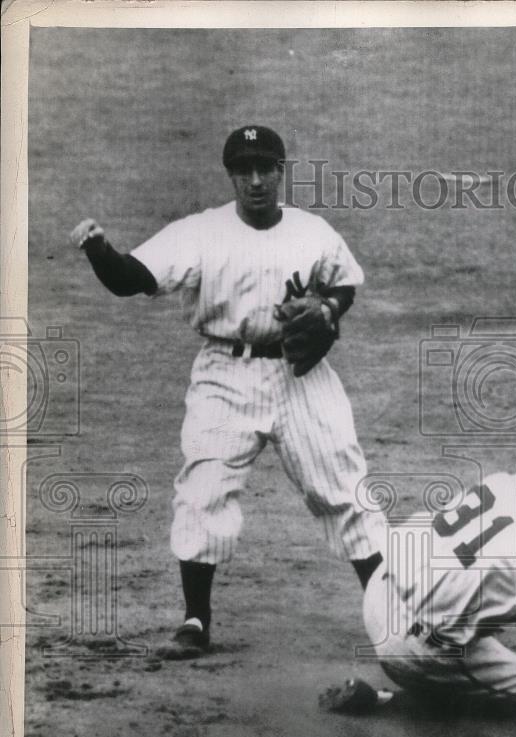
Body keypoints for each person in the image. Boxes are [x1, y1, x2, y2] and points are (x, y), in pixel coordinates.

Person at [70, 125, 386, 658]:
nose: (256, 180)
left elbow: (344, 282)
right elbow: (130, 279)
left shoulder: (314, 232)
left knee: (346, 489)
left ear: (282, 172)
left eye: (266, 169)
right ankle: (195, 621)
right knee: (204, 488)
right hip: (224, 374)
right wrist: (100, 249)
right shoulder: (199, 232)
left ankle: (394, 613)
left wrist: (330, 309)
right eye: (244, 170)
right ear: (231, 176)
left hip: (298, 375)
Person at [321, 429, 516, 737]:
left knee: (472, 606)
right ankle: (387, 702)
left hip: (378, 592)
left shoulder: (502, 482)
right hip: (408, 647)